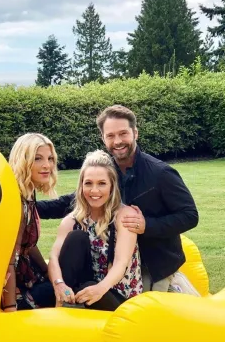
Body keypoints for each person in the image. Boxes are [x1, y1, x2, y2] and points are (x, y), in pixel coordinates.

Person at [37, 105, 199, 294]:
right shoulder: (107, 170)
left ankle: (178, 286)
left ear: (135, 133)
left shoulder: (161, 174)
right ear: (103, 138)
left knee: (149, 306)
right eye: (111, 136)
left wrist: (147, 225)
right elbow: (74, 200)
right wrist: (29, 206)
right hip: (111, 261)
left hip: (153, 264)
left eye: (123, 134)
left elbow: (190, 215)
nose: (118, 141)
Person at [48, 150, 143, 311]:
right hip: (83, 290)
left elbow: (121, 262)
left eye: (102, 183)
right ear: (81, 186)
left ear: (112, 186)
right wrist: (59, 284)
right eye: (88, 183)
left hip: (117, 295)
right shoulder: (72, 220)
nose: (94, 191)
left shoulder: (125, 216)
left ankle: (71, 305)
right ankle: (64, 302)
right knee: (76, 237)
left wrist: (100, 289)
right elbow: (54, 257)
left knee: (88, 287)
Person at [1, 133, 57, 312]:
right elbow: (9, 259)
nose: (47, 165)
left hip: (25, 271)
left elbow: (29, 244)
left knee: (61, 278)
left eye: (50, 158)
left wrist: (47, 272)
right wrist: (11, 307)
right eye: (37, 159)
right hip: (9, 283)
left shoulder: (28, 192)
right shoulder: (15, 200)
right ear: (23, 161)